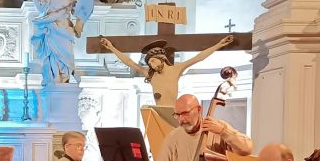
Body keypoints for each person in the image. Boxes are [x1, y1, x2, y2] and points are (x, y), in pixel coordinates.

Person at [150, 93, 254, 161]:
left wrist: (223, 131)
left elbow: (247, 148)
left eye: (185, 113)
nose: (182, 119)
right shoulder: (173, 137)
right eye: (177, 115)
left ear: (199, 109)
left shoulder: (217, 128)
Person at [100, 35, 234, 107]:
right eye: (149, 63)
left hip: (173, 113)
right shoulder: (150, 75)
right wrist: (111, 48)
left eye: (153, 61)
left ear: (162, 58)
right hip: (157, 113)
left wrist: (219, 44)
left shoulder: (176, 69)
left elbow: (198, 58)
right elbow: (129, 62)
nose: (151, 65)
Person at [31, 0, 93, 86]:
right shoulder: (52, 0)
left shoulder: (71, 0)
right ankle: (56, 76)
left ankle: (67, 75)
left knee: (67, 53)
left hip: (65, 30)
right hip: (52, 30)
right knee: (53, 55)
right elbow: (42, 10)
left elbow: (82, 10)